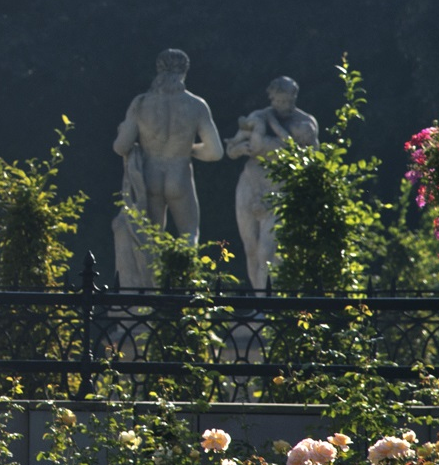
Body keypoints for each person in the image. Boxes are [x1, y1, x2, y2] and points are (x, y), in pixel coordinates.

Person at [110, 49, 225, 288]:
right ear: (185, 72)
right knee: (189, 235)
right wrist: (189, 149)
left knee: (151, 240)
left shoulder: (141, 104)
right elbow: (215, 152)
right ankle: (186, 286)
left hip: (150, 176)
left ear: (158, 70)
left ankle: (152, 292)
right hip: (179, 175)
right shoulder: (196, 105)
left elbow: (121, 147)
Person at [224, 76, 321, 292]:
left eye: (288, 101)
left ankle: (270, 301)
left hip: (280, 190)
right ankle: (260, 299)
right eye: (279, 101)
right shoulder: (258, 117)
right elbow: (231, 149)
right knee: (251, 248)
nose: (284, 106)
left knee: (268, 250)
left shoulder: (304, 123)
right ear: (272, 98)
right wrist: (240, 149)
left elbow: (313, 161)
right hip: (250, 185)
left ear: (295, 98)